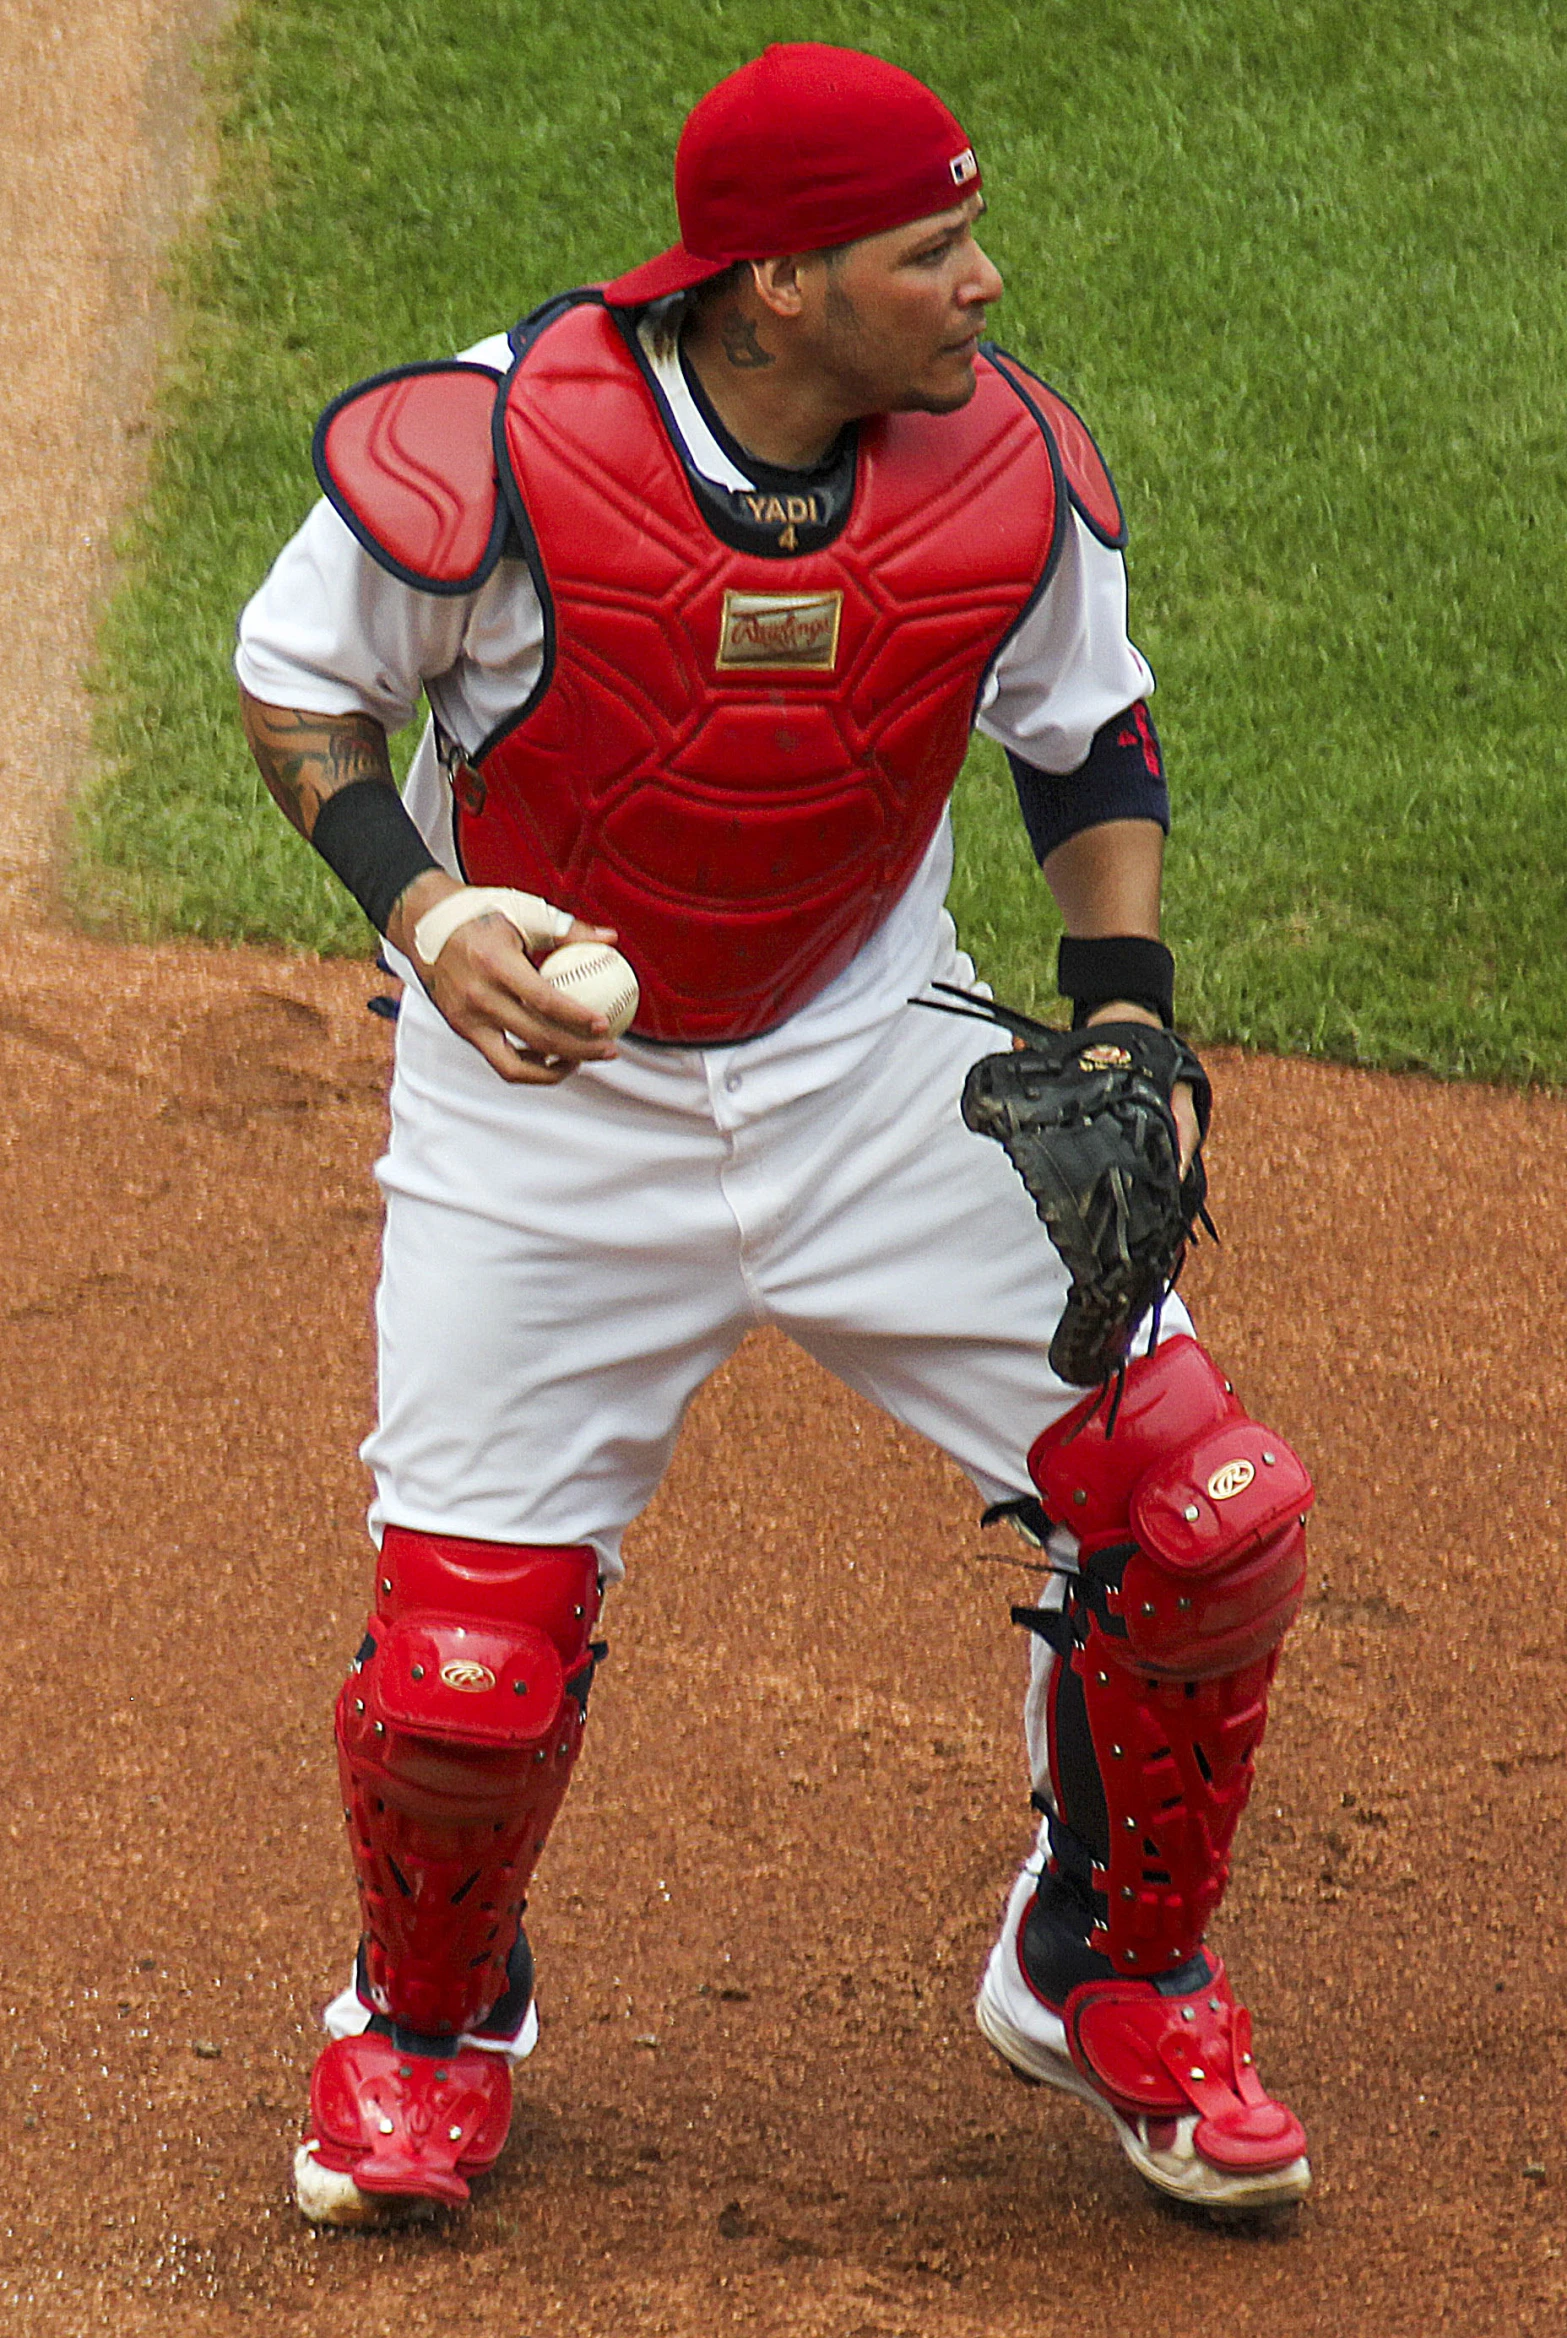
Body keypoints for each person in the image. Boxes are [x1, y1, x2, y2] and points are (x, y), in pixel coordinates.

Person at [235, 41, 1313, 2228]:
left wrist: (1125, 1012)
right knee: (464, 1674)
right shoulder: (508, 443)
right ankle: (426, 2026)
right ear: (780, 285)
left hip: (873, 1074)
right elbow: (294, 681)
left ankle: (1109, 1964)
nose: (986, 284)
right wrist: (422, 907)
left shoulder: (999, 468)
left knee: (1203, 1511)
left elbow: (1087, 728)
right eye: (935, 250)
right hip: (539, 1121)